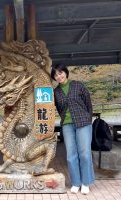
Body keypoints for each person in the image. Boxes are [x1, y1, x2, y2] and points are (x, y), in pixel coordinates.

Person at [51, 64, 95, 195]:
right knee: (71, 156)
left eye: (60, 73)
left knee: (85, 154)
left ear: (65, 72)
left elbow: (88, 103)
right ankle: (76, 182)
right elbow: (59, 109)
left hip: (83, 122)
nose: (59, 76)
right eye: (56, 75)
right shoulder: (56, 92)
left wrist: (88, 118)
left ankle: (86, 182)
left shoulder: (77, 85)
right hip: (67, 125)